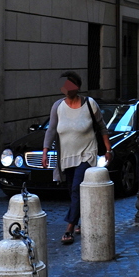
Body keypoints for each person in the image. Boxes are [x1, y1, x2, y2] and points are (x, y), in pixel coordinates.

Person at [42, 72, 112, 245]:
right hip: (66, 157)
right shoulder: (58, 106)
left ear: (77, 87)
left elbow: (102, 127)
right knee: (73, 191)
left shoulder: (89, 104)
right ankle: (79, 220)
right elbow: (51, 130)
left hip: (86, 154)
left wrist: (108, 150)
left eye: (70, 85)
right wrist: (45, 151)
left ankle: (69, 228)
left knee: (76, 189)